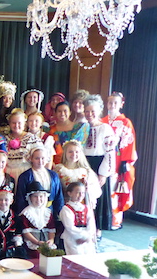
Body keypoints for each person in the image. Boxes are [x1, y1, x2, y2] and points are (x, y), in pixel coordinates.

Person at [102, 92, 137, 230]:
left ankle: (114, 220)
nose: (112, 105)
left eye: (115, 102)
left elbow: (129, 142)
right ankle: (103, 218)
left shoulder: (125, 122)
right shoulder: (102, 120)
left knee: (115, 190)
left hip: (118, 160)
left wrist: (125, 161)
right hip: (103, 157)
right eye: (110, 102)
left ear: (121, 104)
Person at [83, 94, 116, 236]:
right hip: (85, 164)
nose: (89, 114)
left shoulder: (105, 128)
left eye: (92, 111)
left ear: (99, 111)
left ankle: (97, 230)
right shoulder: (81, 128)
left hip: (99, 165)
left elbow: (110, 153)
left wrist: (103, 174)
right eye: (87, 111)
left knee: (99, 198)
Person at [15, 146, 64, 220]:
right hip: (31, 212)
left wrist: (59, 213)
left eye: (43, 158)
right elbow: (21, 197)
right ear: (31, 159)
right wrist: (22, 216)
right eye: (37, 158)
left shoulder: (53, 175)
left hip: (50, 211)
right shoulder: (25, 176)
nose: (40, 161)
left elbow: (58, 196)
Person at [54, 140, 102, 214]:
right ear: (65, 153)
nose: (73, 154)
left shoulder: (86, 171)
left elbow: (95, 190)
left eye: (77, 152)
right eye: (70, 152)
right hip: (64, 204)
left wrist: (87, 186)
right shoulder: (58, 169)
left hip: (81, 204)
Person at [19, 181, 56, 257]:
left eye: (41, 196)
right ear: (30, 198)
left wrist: (51, 240)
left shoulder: (48, 212)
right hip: (32, 243)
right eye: (35, 196)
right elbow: (26, 232)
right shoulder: (26, 212)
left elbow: (51, 229)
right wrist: (37, 242)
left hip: (46, 243)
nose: (38, 199)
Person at [4, 109, 43, 181]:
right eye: (13, 123)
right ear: (9, 124)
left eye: (19, 123)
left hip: (26, 174)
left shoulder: (32, 138)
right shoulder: (5, 139)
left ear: (24, 124)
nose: (16, 125)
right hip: (8, 174)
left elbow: (41, 158)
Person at [60, 181, 97, 255]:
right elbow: (69, 227)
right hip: (73, 237)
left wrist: (88, 236)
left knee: (89, 254)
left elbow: (91, 223)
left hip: (87, 237)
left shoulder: (86, 208)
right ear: (69, 193)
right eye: (77, 192)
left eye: (83, 193)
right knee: (76, 256)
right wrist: (82, 236)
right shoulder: (66, 209)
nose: (80, 195)